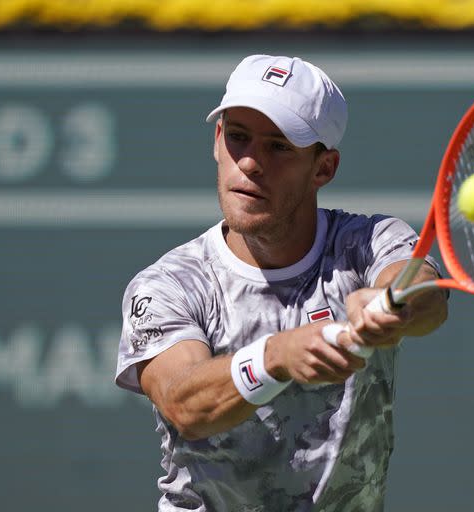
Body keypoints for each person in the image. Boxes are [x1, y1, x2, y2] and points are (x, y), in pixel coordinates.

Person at [115, 54, 448, 511]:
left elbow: (422, 292)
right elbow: (184, 404)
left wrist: (391, 305)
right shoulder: (168, 285)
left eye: (279, 146)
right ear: (217, 141)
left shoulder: (369, 243)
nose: (249, 162)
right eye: (237, 138)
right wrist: (276, 357)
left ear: (323, 169)